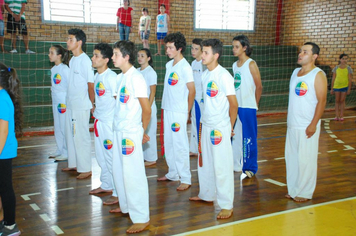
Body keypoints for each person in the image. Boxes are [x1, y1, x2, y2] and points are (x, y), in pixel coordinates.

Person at [189, 39, 238, 219]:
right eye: (202, 52)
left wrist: (229, 127)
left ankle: (226, 205)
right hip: (206, 124)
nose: (202, 55)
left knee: (222, 166)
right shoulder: (205, 75)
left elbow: (234, 105)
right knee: (204, 162)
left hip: (220, 127)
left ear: (216, 55)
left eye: (206, 53)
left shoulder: (224, 76)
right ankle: (206, 195)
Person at [110, 40, 151, 233]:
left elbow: (146, 109)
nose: (112, 57)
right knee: (119, 171)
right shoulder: (120, 78)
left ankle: (142, 217)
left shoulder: (137, 78)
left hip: (131, 133)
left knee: (133, 174)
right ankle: (126, 206)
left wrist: (141, 131)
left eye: (116, 54)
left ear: (126, 57)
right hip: (119, 130)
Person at [285, 42, 327, 202]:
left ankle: (305, 192)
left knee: (306, 160)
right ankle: (294, 189)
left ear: (314, 56)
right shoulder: (295, 72)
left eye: (305, 52)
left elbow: (322, 101)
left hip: (307, 125)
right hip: (292, 124)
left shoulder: (318, 74)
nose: (300, 54)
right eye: (300, 51)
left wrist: (313, 124)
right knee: (292, 158)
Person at [157, 32, 196, 191]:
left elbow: (192, 91)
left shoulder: (185, 67)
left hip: (178, 112)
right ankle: (173, 173)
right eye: (166, 47)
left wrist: (187, 111)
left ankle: (186, 178)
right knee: (169, 143)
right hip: (168, 109)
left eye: (171, 47)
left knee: (180, 144)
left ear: (179, 48)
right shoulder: (169, 65)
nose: (167, 50)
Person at [61, 28, 94, 179]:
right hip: (71, 104)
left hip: (81, 105)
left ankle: (86, 168)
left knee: (81, 136)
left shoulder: (85, 60)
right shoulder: (72, 59)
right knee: (71, 135)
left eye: (71, 39)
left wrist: (92, 103)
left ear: (79, 42)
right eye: (67, 39)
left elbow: (90, 84)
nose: (67, 42)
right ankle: (74, 163)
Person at [89, 43, 119, 206]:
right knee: (101, 156)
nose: (93, 58)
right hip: (99, 121)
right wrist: (94, 107)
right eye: (93, 55)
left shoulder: (111, 77)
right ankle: (106, 184)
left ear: (106, 60)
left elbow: (118, 102)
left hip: (109, 124)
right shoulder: (97, 76)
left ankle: (117, 191)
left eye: (96, 56)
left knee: (110, 157)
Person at [231, 35, 262, 178]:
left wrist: (254, 104)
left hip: (248, 106)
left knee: (249, 137)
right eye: (233, 46)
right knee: (235, 136)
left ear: (245, 48)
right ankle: (235, 164)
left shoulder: (251, 64)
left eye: (237, 46)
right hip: (236, 106)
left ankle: (250, 167)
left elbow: (259, 86)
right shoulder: (234, 65)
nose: (234, 49)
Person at [0, 62, 23, 236]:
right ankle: (4, 221)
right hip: (3, 150)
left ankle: (10, 225)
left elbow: (3, 131)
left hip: (3, 151)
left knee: (5, 187)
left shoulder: (2, 98)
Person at [48, 45, 70, 161]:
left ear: (59, 55)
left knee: (63, 125)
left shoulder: (65, 69)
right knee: (57, 125)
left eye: (52, 53)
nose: (49, 55)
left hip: (63, 101)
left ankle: (66, 151)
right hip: (55, 99)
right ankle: (59, 149)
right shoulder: (53, 69)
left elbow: (70, 86)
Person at [137, 48, 158, 166]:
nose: (140, 58)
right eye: (139, 55)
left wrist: (148, 109)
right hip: (139, 108)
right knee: (141, 132)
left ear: (148, 58)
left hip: (148, 107)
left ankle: (151, 158)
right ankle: (142, 156)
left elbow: (153, 92)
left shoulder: (151, 72)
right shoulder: (136, 71)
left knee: (149, 132)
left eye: (143, 56)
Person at [189, 38, 205, 156]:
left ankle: (203, 148)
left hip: (202, 100)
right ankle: (194, 148)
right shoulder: (193, 63)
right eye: (192, 48)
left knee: (202, 123)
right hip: (194, 98)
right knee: (194, 122)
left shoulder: (204, 64)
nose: (193, 51)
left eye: (196, 49)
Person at [330, 53, 353, 121]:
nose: (344, 60)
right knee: (337, 101)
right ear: (340, 59)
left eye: (346, 59)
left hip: (344, 87)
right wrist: (332, 88)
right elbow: (333, 78)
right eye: (343, 59)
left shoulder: (348, 68)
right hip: (337, 86)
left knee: (342, 101)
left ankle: (341, 115)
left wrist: (349, 88)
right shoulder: (336, 68)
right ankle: (337, 115)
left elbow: (350, 79)